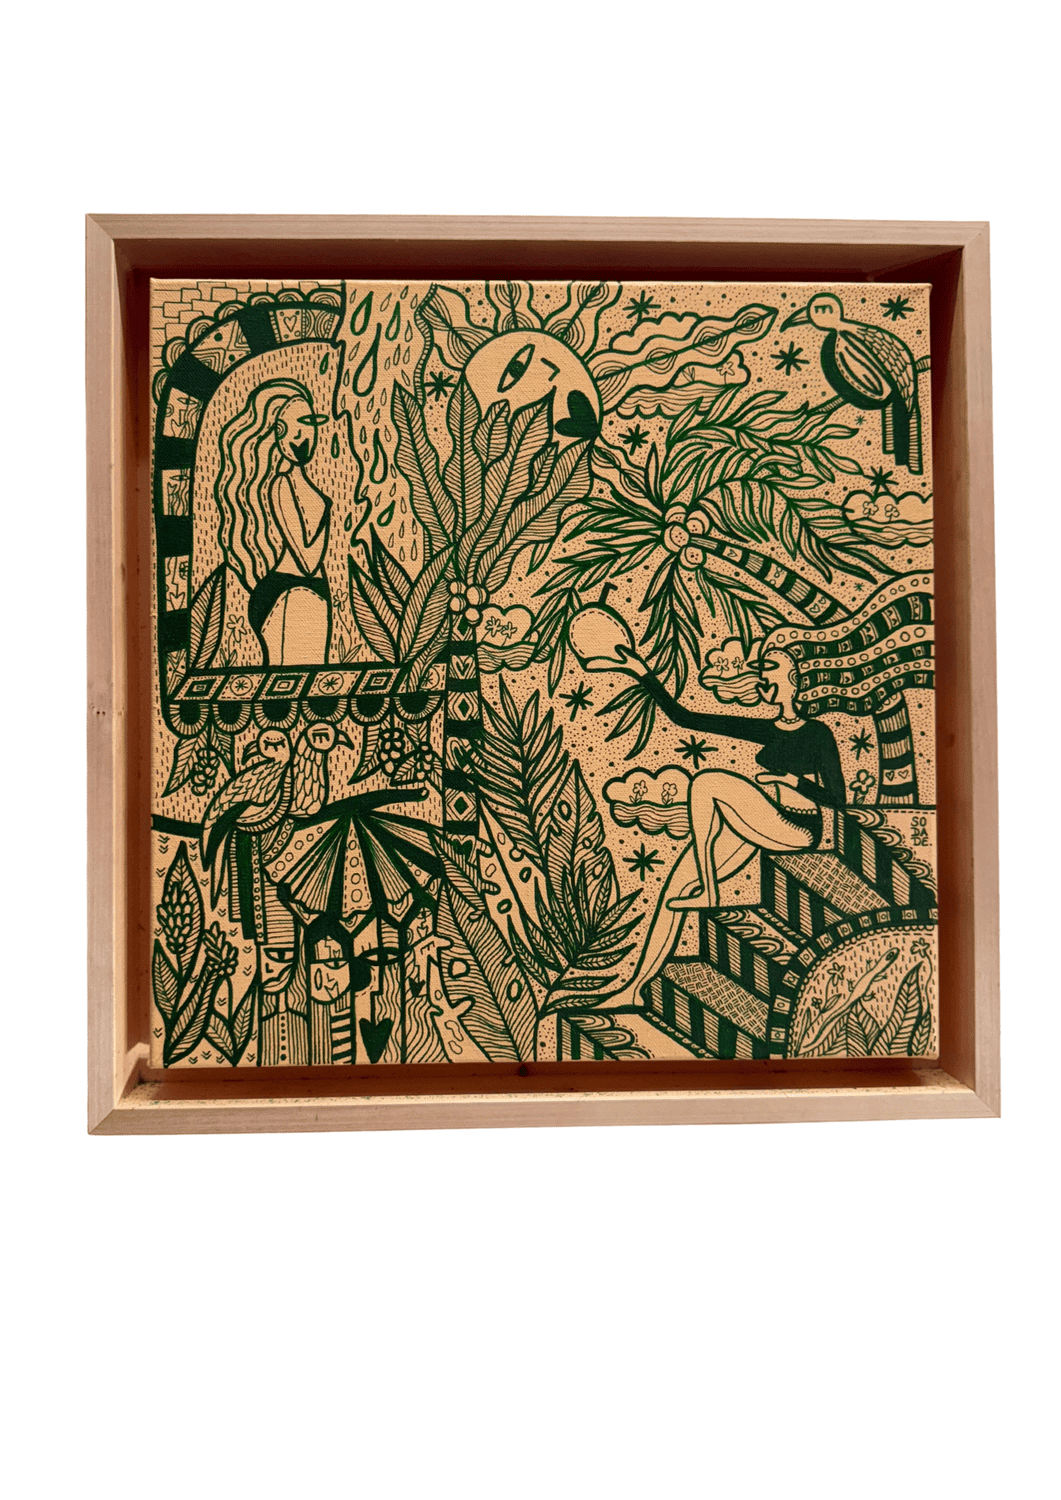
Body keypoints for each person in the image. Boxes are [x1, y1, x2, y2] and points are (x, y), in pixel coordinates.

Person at [574, 612, 846, 1006]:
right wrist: (641, 672)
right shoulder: (768, 729)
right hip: (762, 821)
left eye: (771, 669)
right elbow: (686, 717)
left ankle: (709, 890)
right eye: (760, 671)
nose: (762, 677)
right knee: (674, 886)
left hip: (800, 827)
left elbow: (839, 799)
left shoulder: (818, 733)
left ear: (794, 679)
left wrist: (793, 782)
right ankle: (634, 989)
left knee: (707, 782)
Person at [214, 378, 334, 665]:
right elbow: (307, 560)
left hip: (310, 590)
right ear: (277, 437)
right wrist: (326, 514)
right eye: (285, 428)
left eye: (308, 422)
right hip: (290, 590)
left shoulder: (311, 490)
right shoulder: (281, 485)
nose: (299, 435)